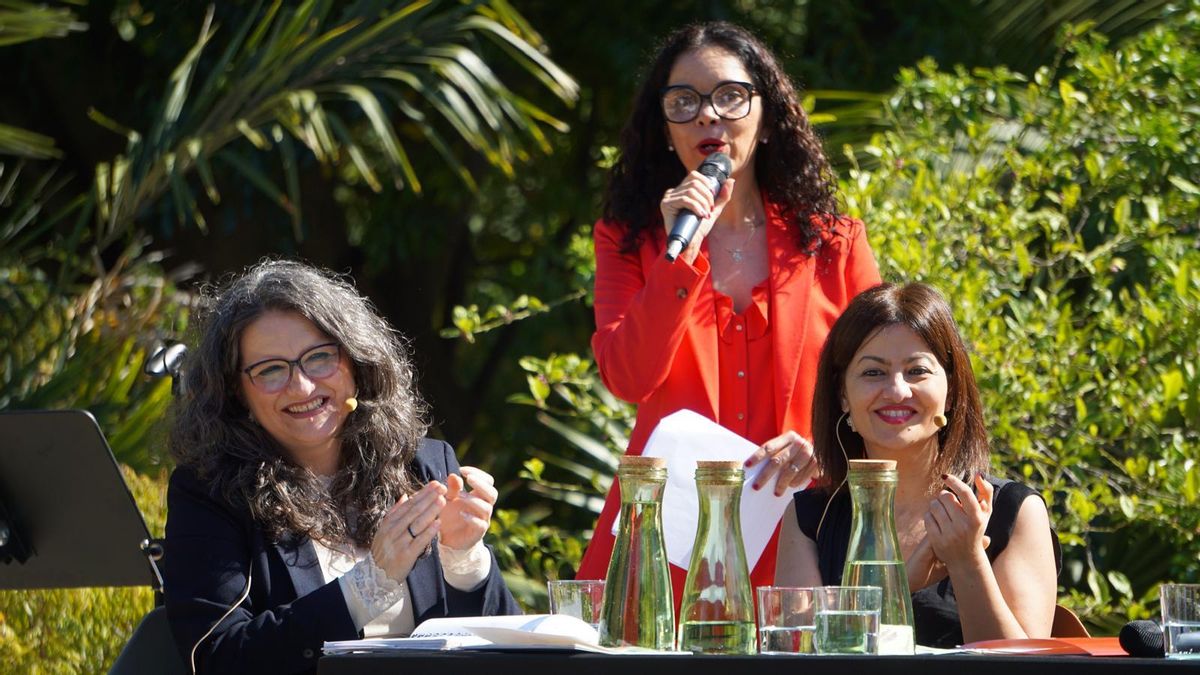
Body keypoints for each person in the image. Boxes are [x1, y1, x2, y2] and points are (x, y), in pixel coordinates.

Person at [576, 21, 881, 603]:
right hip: (668, 536)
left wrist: (827, 441)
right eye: (683, 102)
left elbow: (881, 375)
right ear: (665, 131)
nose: (707, 116)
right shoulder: (628, 241)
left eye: (729, 96)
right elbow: (628, 377)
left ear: (766, 119)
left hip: (803, 528)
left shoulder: (834, 244)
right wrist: (678, 259)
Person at [164, 260, 520, 674]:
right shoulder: (209, 492)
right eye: (271, 370)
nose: (302, 387)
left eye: (318, 358)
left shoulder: (427, 464)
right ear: (236, 392)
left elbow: (505, 649)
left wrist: (464, 559)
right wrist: (369, 584)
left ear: (356, 364)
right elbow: (219, 658)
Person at [776, 282, 1060, 647]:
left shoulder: (1014, 512)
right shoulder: (810, 519)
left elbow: (1025, 671)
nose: (897, 391)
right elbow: (798, 659)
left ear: (951, 389)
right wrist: (902, 586)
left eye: (917, 371)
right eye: (873, 373)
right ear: (843, 394)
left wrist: (968, 562)